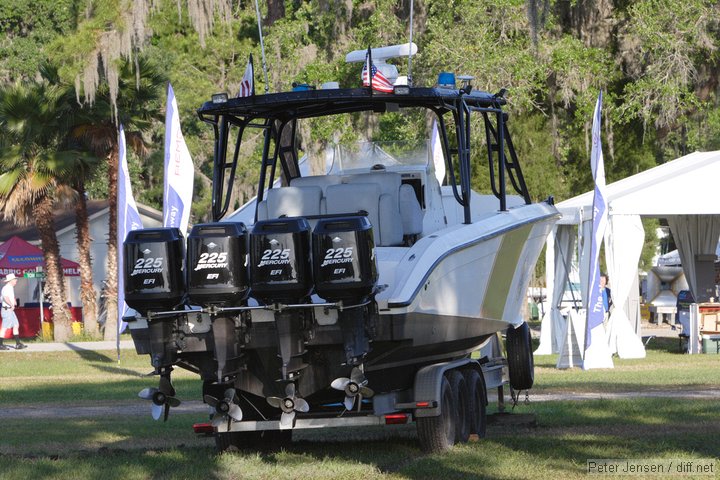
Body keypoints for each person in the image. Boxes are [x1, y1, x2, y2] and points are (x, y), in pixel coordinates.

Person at [1, 273, 27, 350]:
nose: (16, 280)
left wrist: (14, 300)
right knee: (4, 327)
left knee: (16, 325)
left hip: (10, 310)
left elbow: (8, 296)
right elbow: (5, 297)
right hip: (7, 309)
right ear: (10, 280)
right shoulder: (6, 288)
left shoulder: (10, 288)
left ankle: (18, 344)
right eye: (15, 279)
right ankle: (0, 344)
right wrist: (11, 304)